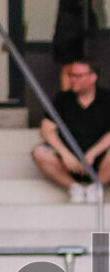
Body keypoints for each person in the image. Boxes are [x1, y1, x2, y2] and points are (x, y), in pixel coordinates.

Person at [31, 60, 110, 203]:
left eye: (78, 76)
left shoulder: (106, 98)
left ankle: (97, 186)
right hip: (69, 161)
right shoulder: (62, 99)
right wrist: (65, 153)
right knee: (40, 152)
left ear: (93, 77)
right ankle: (74, 187)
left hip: (99, 159)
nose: (72, 79)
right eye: (71, 75)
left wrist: (93, 153)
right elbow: (46, 130)